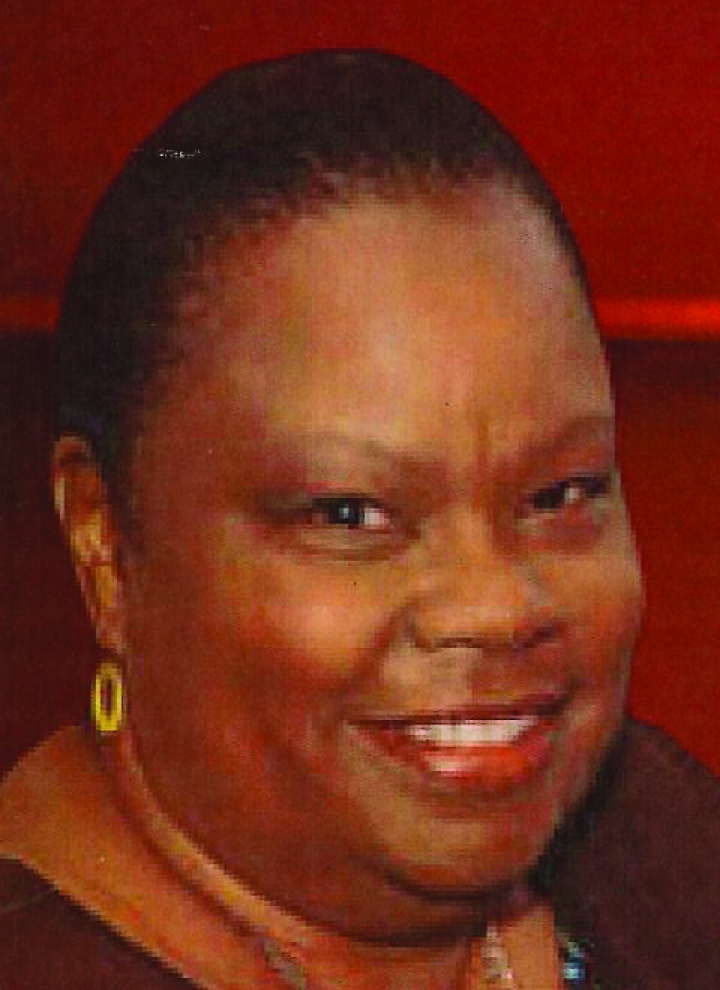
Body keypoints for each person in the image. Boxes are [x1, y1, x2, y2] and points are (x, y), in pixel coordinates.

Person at [0, 49, 718, 989]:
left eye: (560, 494)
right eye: (351, 513)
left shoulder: (646, 844)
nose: (498, 606)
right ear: (104, 544)